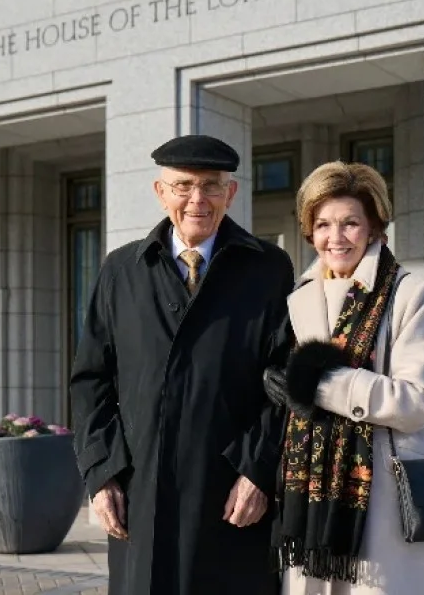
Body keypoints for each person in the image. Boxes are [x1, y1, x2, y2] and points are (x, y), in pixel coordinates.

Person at [70, 134, 295, 595]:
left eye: (212, 185)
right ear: (160, 192)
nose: (198, 199)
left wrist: (258, 471)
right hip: (141, 495)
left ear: (230, 193)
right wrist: (102, 473)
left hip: (232, 497)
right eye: (183, 186)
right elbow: (91, 380)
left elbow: (285, 384)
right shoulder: (120, 271)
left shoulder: (269, 268)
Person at [263, 161, 424, 595]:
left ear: (374, 227)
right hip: (310, 495)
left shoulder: (411, 293)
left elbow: (417, 403)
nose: (336, 237)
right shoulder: (298, 298)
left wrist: (318, 384)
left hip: (380, 494)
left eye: (350, 223)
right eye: (323, 224)